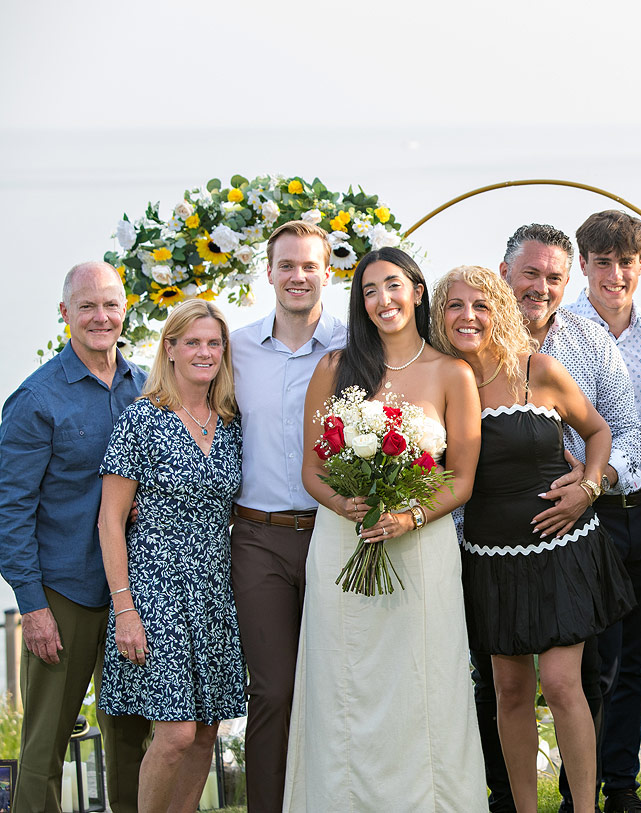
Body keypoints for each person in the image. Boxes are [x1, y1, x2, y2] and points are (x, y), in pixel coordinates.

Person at [285, 247, 485, 810]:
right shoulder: (333, 369)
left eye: (392, 285)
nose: (382, 300)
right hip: (341, 543)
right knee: (344, 683)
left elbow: (462, 478)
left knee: (423, 682)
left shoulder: (453, 373)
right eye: (369, 291)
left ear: (417, 291)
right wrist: (343, 502)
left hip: (421, 547)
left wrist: (410, 516)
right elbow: (312, 469)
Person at [434, 265, 636, 813]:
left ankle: (585, 808)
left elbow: (598, 431)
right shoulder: (438, 382)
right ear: (439, 315)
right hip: (489, 558)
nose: (468, 316)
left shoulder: (537, 370)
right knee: (509, 691)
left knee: (563, 681)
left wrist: (589, 486)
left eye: (480, 304)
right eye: (454, 305)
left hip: (562, 549)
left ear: (499, 307)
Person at [0, 261, 150, 813]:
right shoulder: (36, 400)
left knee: (131, 740)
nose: (100, 317)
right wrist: (31, 606)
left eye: (110, 305)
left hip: (136, 593)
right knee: (45, 746)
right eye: (87, 306)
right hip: (66, 593)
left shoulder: (151, 387)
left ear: (124, 309)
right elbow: (11, 510)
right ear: (65, 315)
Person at [97, 298, 246, 812]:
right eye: (193, 342)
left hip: (214, 591)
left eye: (213, 343)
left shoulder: (229, 422)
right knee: (176, 735)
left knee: (207, 733)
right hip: (156, 590)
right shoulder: (142, 419)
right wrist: (124, 609)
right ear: (171, 349)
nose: (204, 352)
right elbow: (110, 519)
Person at [229, 219, 347, 813]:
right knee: (272, 691)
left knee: (338, 688)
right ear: (269, 273)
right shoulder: (235, 347)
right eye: (286, 266)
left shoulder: (356, 345)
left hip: (339, 534)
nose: (298, 276)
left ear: (329, 272)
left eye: (310, 265)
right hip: (259, 539)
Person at [568, 210, 641, 813]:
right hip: (589, 513)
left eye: (626, 262)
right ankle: (576, 793)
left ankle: (623, 791)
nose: (615, 274)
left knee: (634, 660)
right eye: (603, 262)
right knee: (593, 663)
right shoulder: (560, 329)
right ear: (583, 265)